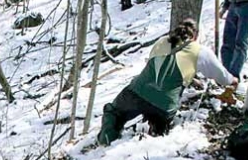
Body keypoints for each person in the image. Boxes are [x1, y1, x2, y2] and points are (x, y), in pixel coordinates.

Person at [97, 19, 238, 146]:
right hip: (165, 105)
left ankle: (106, 141)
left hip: (137, 92)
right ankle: (154, 134)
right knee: (158, 129)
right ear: (195, 36)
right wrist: (233, 80)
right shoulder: (199, 51)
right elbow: (222, 77)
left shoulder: (162, 41)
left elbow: (159, 67)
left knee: (113, 111)